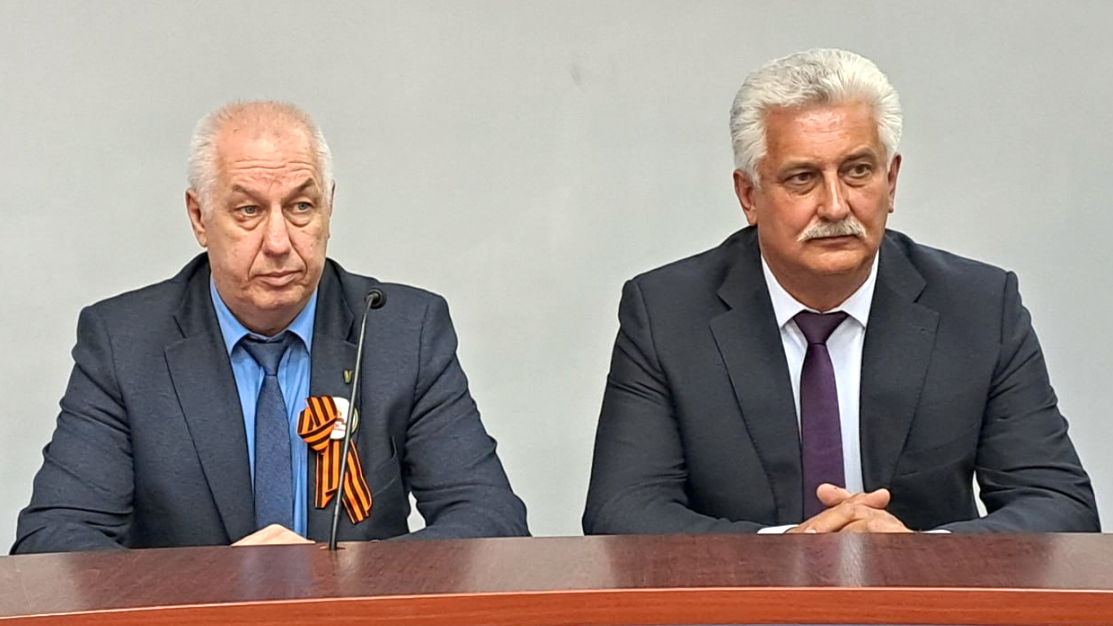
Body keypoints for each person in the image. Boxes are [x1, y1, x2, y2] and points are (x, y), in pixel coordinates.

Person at [583, 48, 1098, 534]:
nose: (835, 206)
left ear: (890, 181)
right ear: (749, 195)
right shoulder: (668, 314)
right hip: (748, 593)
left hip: (920, 593)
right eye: (802, 178)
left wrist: (922, 554)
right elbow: (621, 512)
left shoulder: (979, 306)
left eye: (857, 171)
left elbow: (1059, 504)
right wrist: (788, 548)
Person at [13, 101, 528, 553]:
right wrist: (220, 582)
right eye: (249, 210)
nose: (279, 241)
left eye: (301, 207)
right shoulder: (124, 343)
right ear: (199, 217)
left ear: (329, 208)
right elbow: (52, 542)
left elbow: (493, 522)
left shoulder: (402, 331)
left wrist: (337, 575)